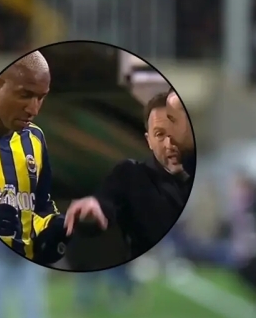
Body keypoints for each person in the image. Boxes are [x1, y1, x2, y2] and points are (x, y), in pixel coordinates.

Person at [0, 51, 107, 266]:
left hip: (30, 259)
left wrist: (71, 220)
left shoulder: (34, 137)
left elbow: (42, 207)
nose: (34, 109)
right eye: (25, 95)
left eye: (41, 98)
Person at [65, 91, 195, 260]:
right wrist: (93, 208)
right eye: (160, 134)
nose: (169, 143)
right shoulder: (130, 176)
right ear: (149, 140)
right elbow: (106, 204)